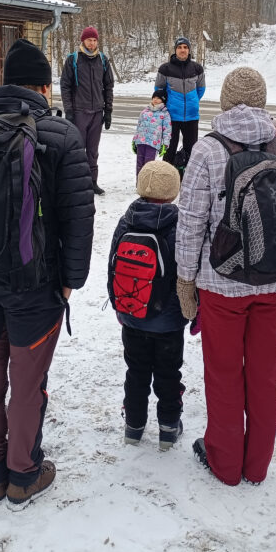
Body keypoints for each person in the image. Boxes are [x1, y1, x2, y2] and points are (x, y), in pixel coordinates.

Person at [0, 38, 94, 510]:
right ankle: (23, 474)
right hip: (35, 284)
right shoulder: (61, 134)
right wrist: (71, 280)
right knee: (27, 383)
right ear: (44, 87)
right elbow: (78, 218)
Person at [176, 67, 276, 485]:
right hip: (274, 283)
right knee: (265, 376)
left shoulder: (207, 151)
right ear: (262, 102)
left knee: (224, 374)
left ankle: (225, 464)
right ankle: (257, 465)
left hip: (221, 284)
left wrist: (185, 279)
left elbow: (191, 223)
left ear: (225, 101)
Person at [108, 159, 186, 450]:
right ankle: (168, 428)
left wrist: (118, 305)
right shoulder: (179, 224)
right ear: (173, 191)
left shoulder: (126, 220)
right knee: (169, 375)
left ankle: (133, 427)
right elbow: (185, 271)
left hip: (132, 314)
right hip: (169, 321)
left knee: (136, 373)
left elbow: (112, 265)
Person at [60, 26, 114, 194]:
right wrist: (69, 110)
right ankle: (77, 183)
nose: (92, 43)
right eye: (89, 40)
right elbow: (65, 86)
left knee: (93, 151)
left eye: (95, 40)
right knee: (78, 149)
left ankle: (92, 182)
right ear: (83, 40)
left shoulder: (103, 60)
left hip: (97, 112)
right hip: (79, 112)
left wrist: (108, 111)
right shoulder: (73, 60)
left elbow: (108, 86)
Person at [155, 37, 205, 169]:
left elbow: (201, 89)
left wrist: (192, 102)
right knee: (169, 150)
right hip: (171, 117)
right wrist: (169, 105)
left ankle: (187, 176)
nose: (182, 50)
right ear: (175, 50)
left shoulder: (197, 68)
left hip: (192, 116)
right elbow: (159, 90)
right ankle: (166, 175)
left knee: (191, 151)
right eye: (179, 47)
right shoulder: (165, 69)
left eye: (185, 47)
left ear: (189, 50)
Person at [131, 89, 172, 177]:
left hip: (153, 144)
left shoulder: (165, 114)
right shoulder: (144, 112)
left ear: (163, 100)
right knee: (139, 165)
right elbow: (138, 127)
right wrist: (134, 140)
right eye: (154, 97)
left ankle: (147, 183)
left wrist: (165, 144)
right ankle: (139, 183)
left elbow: (167, 131)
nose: (155, 100)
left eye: (158, 98)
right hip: (141, 142)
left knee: (149, 165)